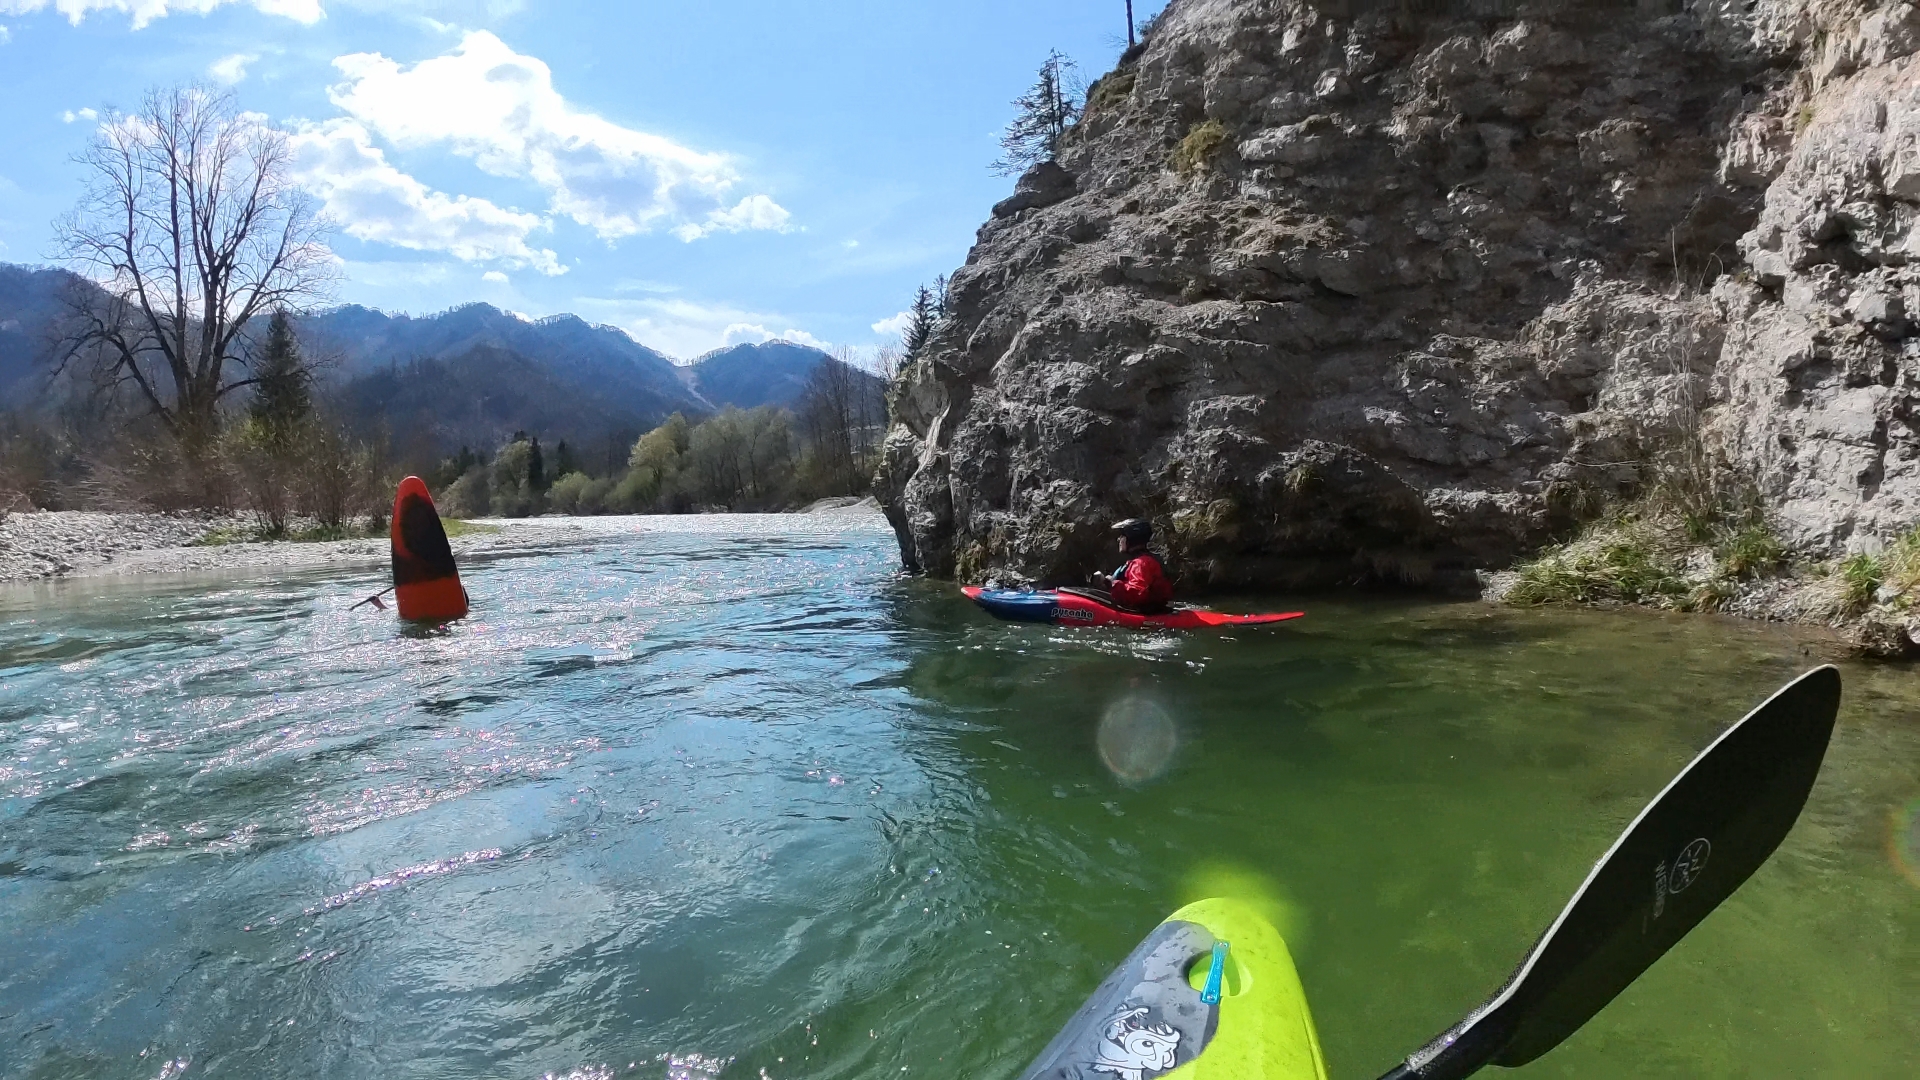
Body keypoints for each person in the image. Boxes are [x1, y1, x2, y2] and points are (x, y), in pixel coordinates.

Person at [1090, 518, 1173, 613]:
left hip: (1143, 614)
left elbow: (1137, 593)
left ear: (1131, 538)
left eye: (1122, 536)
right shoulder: (1139, 561)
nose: (1119, 539)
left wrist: (1111, 583)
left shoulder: (1141, 563)